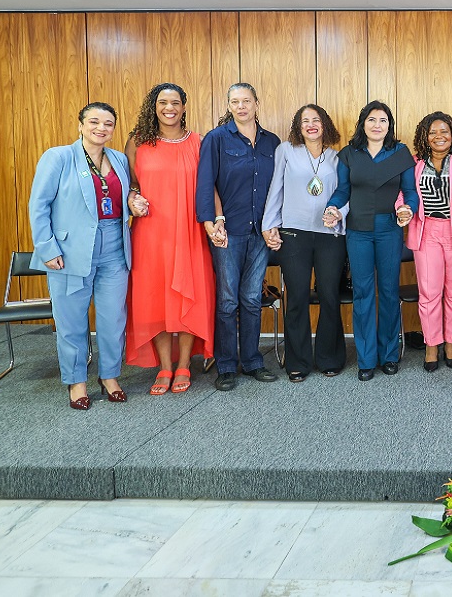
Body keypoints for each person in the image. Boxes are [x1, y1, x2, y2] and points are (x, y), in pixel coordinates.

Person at [29, 102, 143, 409]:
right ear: (80, 124)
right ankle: (76, 382)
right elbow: (38, 206)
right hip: (70, 250)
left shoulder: (119, 159)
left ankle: (110, 377)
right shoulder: (59, 157)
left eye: (108, 124)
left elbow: (124, 194)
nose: (101, 128)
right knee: (71, 321)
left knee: (112, 319)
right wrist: (48, 248)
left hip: (114, 249)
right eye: (94, 121)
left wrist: (134, 200)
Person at [124, 83, 215, 396]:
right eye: (163, 102)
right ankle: (165, 365)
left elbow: (209, 187)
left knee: (189, 296)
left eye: (175, 102)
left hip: (189, 233)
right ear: (154, 106)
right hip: (151, 234)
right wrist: (132, 199)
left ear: (184, 107)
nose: (169, 108)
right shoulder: (138, 142)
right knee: (156, 300)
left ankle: (185, 364)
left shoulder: (198, 142)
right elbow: (129, 185)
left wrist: (215, 222)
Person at [196, 82, 281, 391]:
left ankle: (253, 361)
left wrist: (275, 224)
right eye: (235, 101)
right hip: (227, 232)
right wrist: (210, 221)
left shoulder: (272, 142)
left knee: (251, 297)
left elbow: (278, 188)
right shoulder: (217, 139)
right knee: (228, 300)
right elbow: (206, 182)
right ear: (229, 105)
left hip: (260, 232)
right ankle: (227, 365)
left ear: (257, 103)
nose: (241, 106)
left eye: (247, 100)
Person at [324, 101, 417, 381]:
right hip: (358, 231)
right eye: (372, 120)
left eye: (384, 121)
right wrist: (332, 208)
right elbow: (342, 192)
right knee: (363, 293)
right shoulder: (349, 154)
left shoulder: (400, 153)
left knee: (388, 292)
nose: (378, 125)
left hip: (389, 229)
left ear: (390, 126)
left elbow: (410, 192)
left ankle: (389, 354)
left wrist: (407, 209)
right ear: (363, 123)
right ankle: (366, 359)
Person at [262, 104, 347, 382]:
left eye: (316, 120)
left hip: (329, 236)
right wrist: (269, 225)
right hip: (294, 234)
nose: (311, 125)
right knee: (296, 297)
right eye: (305, 121)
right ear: (298, 127)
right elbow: (276, 189)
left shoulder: (338, 157)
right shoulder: (286, 151)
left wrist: (340, 214)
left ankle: (329, 357)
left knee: (329, 296)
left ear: (325, 124)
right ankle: (297, 361)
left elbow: (346, 195)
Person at [407, 111, 452, 372]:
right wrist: (402, 207)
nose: (439, 136)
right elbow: (405, 193)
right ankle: (431, 345)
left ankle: (450, 343)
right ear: (425, 136)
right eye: (433, 132)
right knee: (429, 293)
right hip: (426, 232)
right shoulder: (414, 163)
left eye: (444, 131)